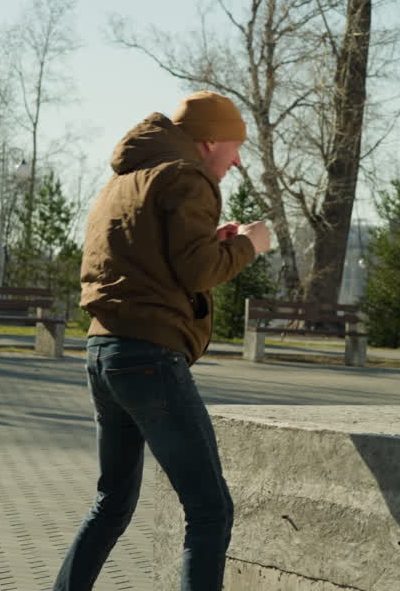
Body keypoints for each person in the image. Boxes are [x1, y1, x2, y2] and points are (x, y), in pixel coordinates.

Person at [55, 91, 271, 590]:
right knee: (209, 509)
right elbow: (197, 272)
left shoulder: (124, 181)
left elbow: (150, 260)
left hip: (103, 352)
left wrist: (214, 242)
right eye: (236, 147)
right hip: (149, 358)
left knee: (112, 502)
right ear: (210, 141)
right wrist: (248, 245)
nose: (238, 162)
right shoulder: (186, 176)